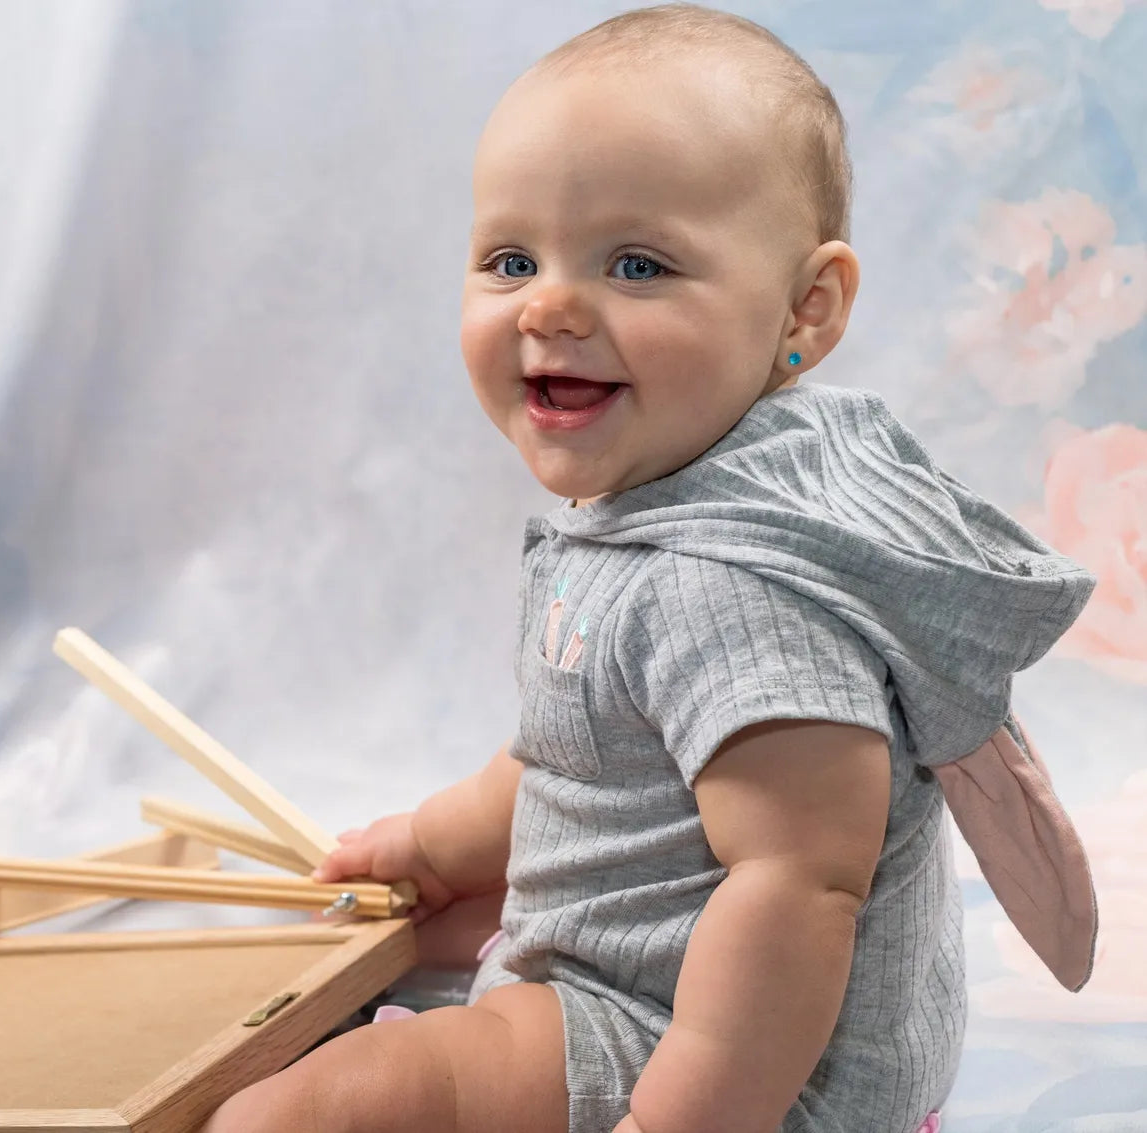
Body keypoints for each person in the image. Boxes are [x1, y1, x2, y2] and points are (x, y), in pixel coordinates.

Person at [203, 5, 1097, 1131]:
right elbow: (570, 754)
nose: (550, 303)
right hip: (644, 966)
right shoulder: (652, 504)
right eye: (509, 258)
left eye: (637, 263)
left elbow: (796, 888)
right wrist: (425, 843)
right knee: (344, 958)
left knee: (308, 1108)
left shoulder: (737, 583)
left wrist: (675, 1118)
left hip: (723, 1051)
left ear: (801, 311)